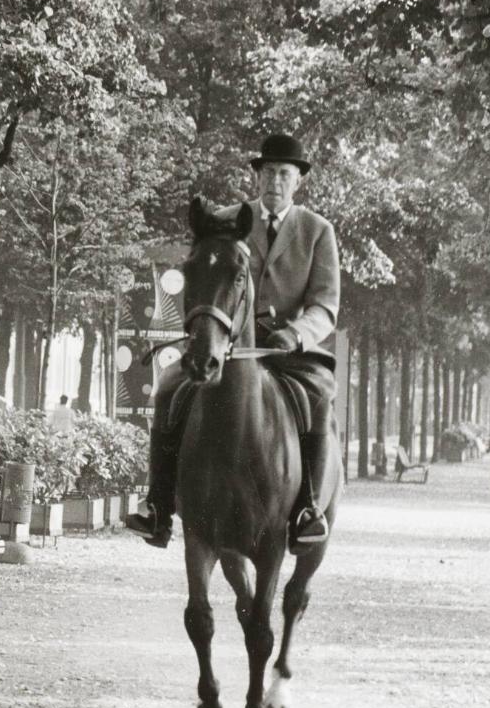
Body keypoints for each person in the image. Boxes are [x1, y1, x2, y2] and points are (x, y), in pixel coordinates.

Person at [126, 132, 340, 554]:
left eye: (283, 174)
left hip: (286, 352)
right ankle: (158, 504)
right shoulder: (226, 220)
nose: (274, 181)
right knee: (169, 386)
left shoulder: (318, 231)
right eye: (267, 172)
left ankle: (308, 509)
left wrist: (295, 334)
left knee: (319, 395)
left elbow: (325, 306)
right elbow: (204, 279)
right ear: (256, 176)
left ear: (297, 181)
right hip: (223, 345)